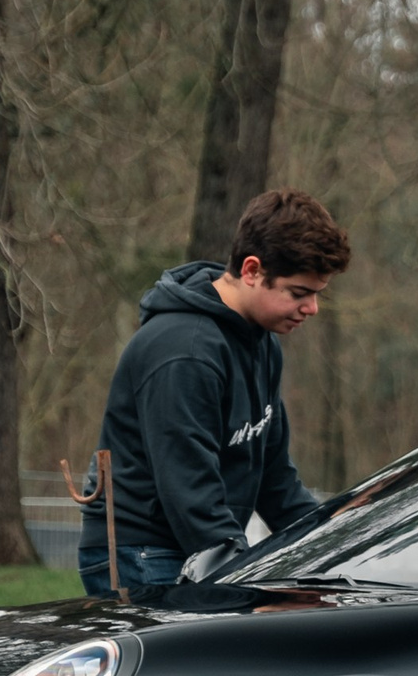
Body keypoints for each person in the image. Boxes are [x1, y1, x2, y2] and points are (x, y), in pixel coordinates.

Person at [79, 190, 350, 594]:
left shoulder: (262, 344)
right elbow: (190, 490)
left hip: (196, 544)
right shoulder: (184, 352)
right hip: (144, 554)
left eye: (318, 293)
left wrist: (338, 544)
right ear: (253, 270)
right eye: (298, 293)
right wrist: (241, 578)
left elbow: (276, 481)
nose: (312, 308)